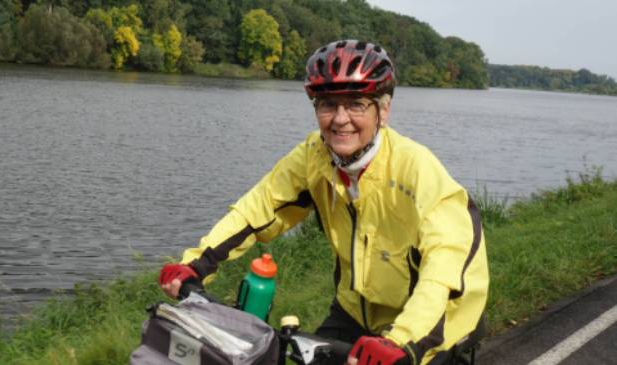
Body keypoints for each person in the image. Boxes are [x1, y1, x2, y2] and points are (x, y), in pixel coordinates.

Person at [158, 40, 489, 365]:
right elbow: (257, 208)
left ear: (383, 110)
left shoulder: (417, 170)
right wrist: (196, 264)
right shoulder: (314, 156)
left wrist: (401, 340)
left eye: (356, 104)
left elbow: (443, 272)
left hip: (433, 322)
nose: (340, 119)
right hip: (353, 310)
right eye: (327, 104)